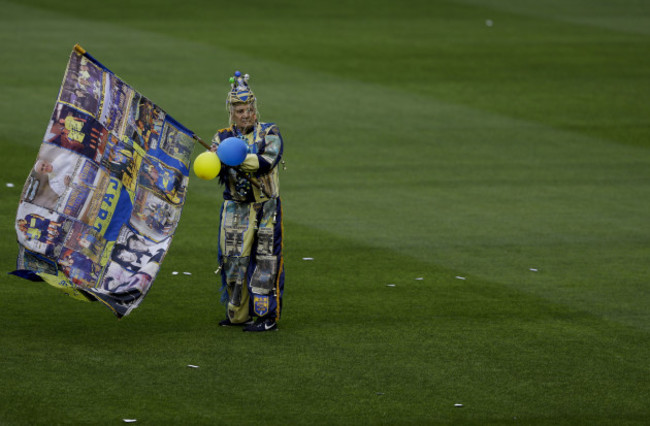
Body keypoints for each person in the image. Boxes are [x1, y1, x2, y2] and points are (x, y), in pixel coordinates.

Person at [210, 71, 285, 332]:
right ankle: (237, 315)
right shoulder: (220, 138)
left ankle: (266, 317)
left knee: (266, 261)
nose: (245, 114)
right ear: (231, 112)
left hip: (266, 207)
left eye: (249, 109)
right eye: (239, 110)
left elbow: (267, 161)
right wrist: (214, 158)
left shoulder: (270, 132)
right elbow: (212, 169)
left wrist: (231, 157)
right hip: (235, 207)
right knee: (233, 261)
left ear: (255, 110)